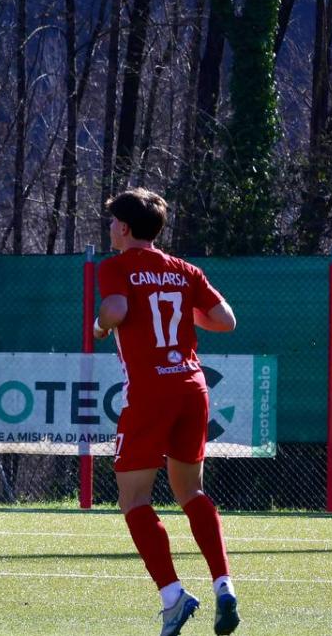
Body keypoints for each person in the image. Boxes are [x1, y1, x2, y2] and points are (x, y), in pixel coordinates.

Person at [93, 188, 240, 636]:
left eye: (113, 221)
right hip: (192, 387)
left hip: (150, 392)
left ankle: (173, 597)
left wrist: (100, 324)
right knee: (191, 491)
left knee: (134, 499)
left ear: (123, 227)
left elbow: (117, 308)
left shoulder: (116, 266)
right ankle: (224, 584)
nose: (110, 228)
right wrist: (180, 314)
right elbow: (226, 320)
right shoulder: (185, 270)